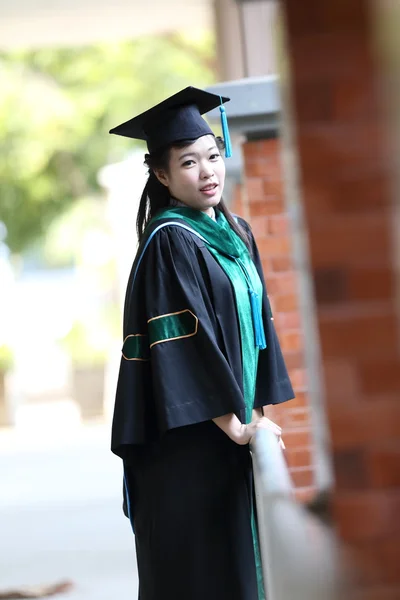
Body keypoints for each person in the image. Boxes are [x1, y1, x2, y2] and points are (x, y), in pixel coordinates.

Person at [109, 86, 294, 600]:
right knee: (205, 577)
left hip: (230, 435)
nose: (207, 171)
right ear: (163, 176)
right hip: (191, 445)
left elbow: (257, 328)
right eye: (188, 162)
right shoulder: (170, 241)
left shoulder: (237, 233)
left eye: (213, 155)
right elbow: (185, 344)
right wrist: (235, 425)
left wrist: (255, 414)